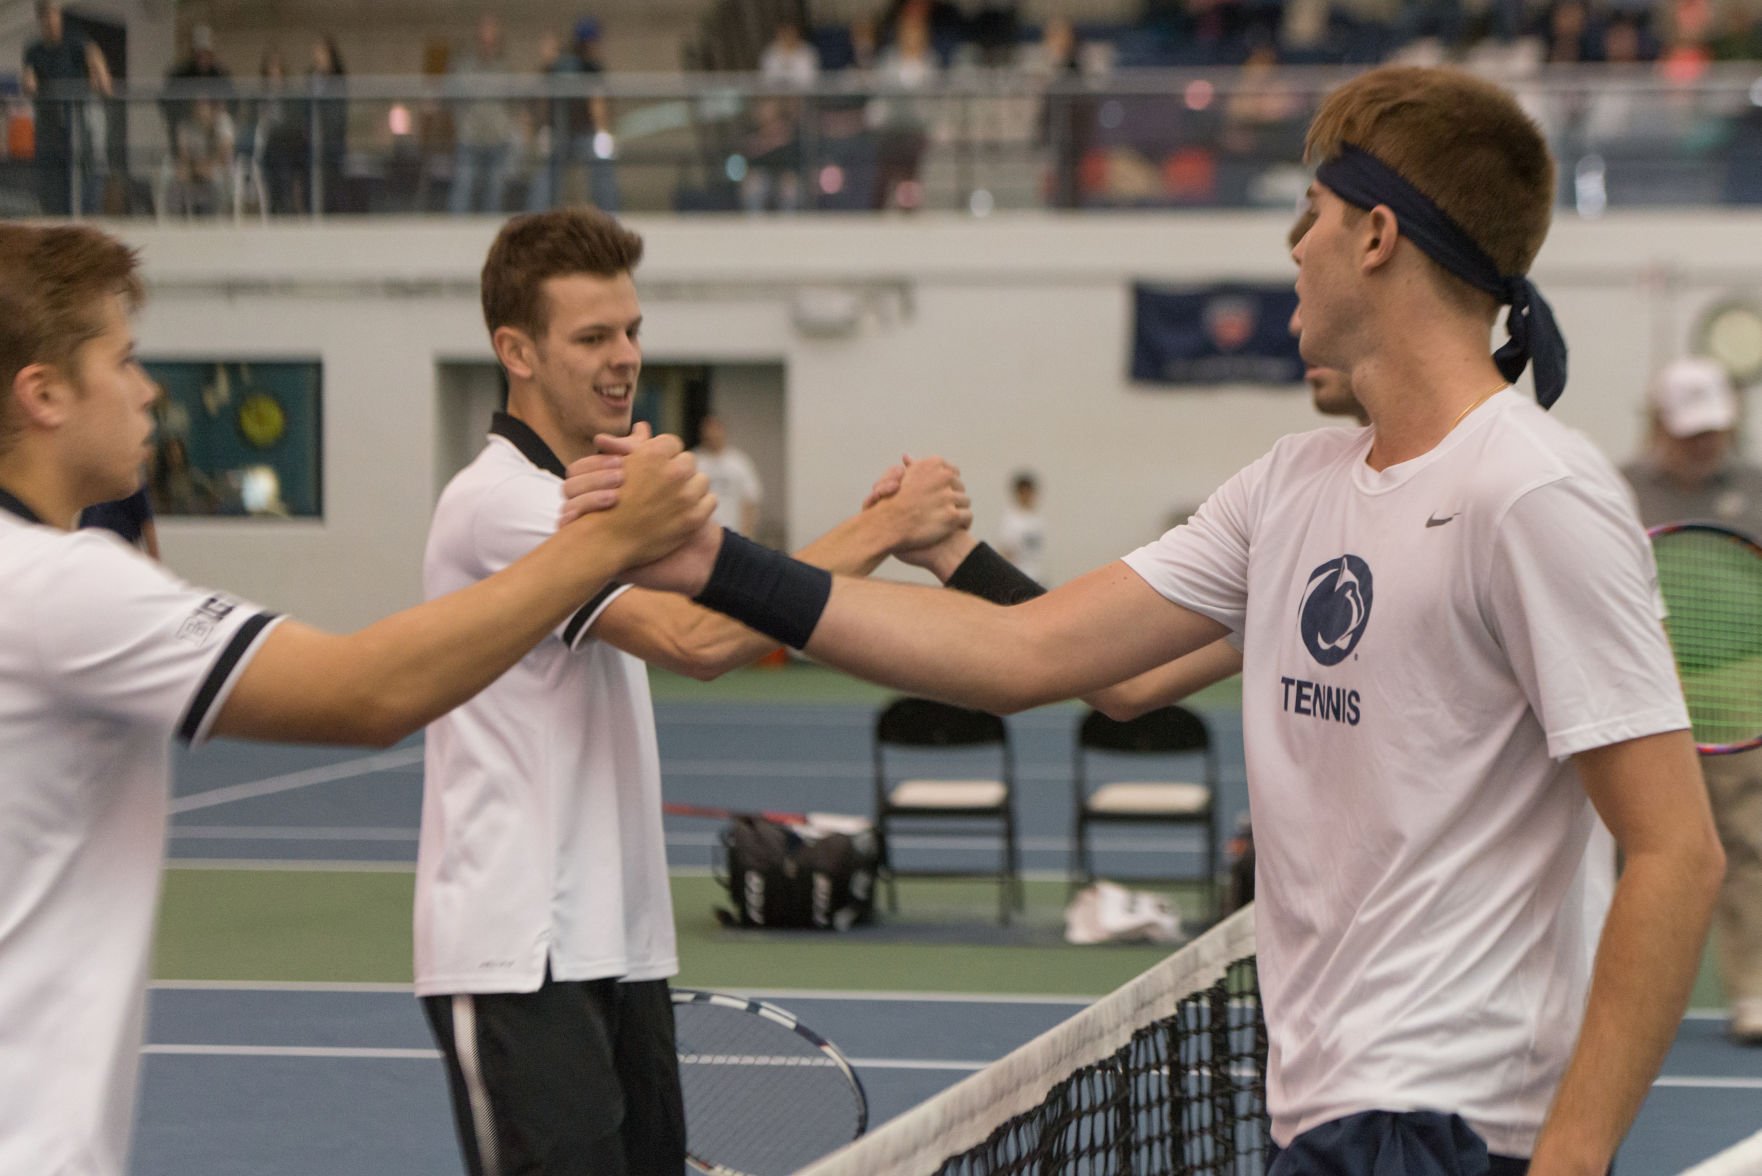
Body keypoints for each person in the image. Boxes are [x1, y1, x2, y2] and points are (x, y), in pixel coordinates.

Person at [609, 66, 1724, 1175]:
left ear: (1377, 236)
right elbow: (1028, 656)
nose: (1294, 245)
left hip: (1448, 1126)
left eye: (1314, 215)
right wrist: (714, 563)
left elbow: (1675, 853)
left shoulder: (1532, 491)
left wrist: (1570, 1164)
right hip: (1321, 1109)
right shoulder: (1293, 485)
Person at [0, 221, 712, 1175]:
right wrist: (611, 536)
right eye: (123, 360)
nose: (150, 388)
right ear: (43, 394)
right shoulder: (56, 587)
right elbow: (367, 693)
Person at [417, 206, 970, 1176]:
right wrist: (880, 528)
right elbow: (700, 636)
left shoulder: (595, 495)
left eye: (631, 330)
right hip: (520, 954)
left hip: (616, 943)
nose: (624, 356)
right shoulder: (502, 502)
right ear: (516, 351)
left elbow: (717, 586)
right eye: (592, 336)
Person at [1620, 355, 1762, 1046]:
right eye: (1688, 431)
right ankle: (1617, 998)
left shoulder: (1758, 488)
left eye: (1713, 430)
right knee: (1633, 847)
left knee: (1749, 843)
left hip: (1740, 691)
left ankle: (1757, 991)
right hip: (1640, 691)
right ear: (1657, 424)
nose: (1703, 444)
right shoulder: (1616, 491)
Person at [21, 0, 112, 216]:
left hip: (79, 125)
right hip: (52, 129)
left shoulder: (75, 42)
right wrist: (29, 81)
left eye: (55, 15)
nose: (52, 21)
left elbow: (94, 56)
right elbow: (29, 79)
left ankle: (88, 214)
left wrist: (100, 75)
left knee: (87, 170)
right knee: (54, 179)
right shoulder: (35, 50)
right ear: (41, 20)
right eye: (47, 17)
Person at [526, 18, 619, 213]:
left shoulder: (565, 63)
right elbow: (597, 103)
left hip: (575, 133)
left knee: (596, 170)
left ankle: (536, 216)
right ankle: (610, 216)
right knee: (550, 175)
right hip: (570, 133)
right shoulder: (579, 64)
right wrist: (603, 132)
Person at [448, 13, 520, 215]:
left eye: (492, 40)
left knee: (494, 194)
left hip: (498, 141)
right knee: (463, 189)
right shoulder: (464, 68)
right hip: (470, 140)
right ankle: (454, 233)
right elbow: (452, 101)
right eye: (484, 39)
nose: (488, 44)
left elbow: (512, 103)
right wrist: (461, 127)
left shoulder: (504, 69)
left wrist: (508, 129)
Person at [692, 413, 764, 536]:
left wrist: (746, 533)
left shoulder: (738, 462)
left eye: (716, 430)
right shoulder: (694, 461)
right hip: (702, 535)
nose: (712, 435)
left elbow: (750, 499)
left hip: (733, 533)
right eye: (709, 431)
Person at [79, 483, 158, 558]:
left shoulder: (129, 481)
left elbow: (147, 523)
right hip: (91, 550)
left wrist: (154, 564)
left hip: (120, 550)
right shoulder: (91, 483)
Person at [996, 470, 1046, 582]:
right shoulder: (1011, 520)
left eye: (1029, 492)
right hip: (1018, 576)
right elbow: (1005, 551)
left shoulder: (1037, 519)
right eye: (1023, 493)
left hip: (1037, 575)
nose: (1026, 496)